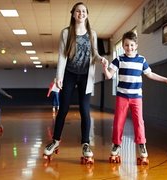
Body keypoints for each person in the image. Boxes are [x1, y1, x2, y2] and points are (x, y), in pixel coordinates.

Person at [101, 31, 167, 164]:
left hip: (136, 97)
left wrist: (166, 80)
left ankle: (141, 144)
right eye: (126, 45)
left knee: (138, 121)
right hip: (122, 96)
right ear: (123, 46)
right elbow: (109, 76)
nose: (129, 48)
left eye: (131, 45)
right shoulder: (119, 59)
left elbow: (150, 74)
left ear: (136, 46)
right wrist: (105, 68)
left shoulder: (141, 60)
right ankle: (116, 144)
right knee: (118, 122)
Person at [43, 2, 103, 163]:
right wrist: (58, 76)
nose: (81, 13)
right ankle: (55, 141)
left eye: (83, 11)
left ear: (87, 14)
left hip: (85, 76)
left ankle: (85, 144)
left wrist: (101, 59)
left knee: (85, 110)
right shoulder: (66, 33)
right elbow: (62, 56)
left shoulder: (92, 34)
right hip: (69, 74)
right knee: (63, 108)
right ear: (73, 14)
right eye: (78, 11)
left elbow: (95, 53)